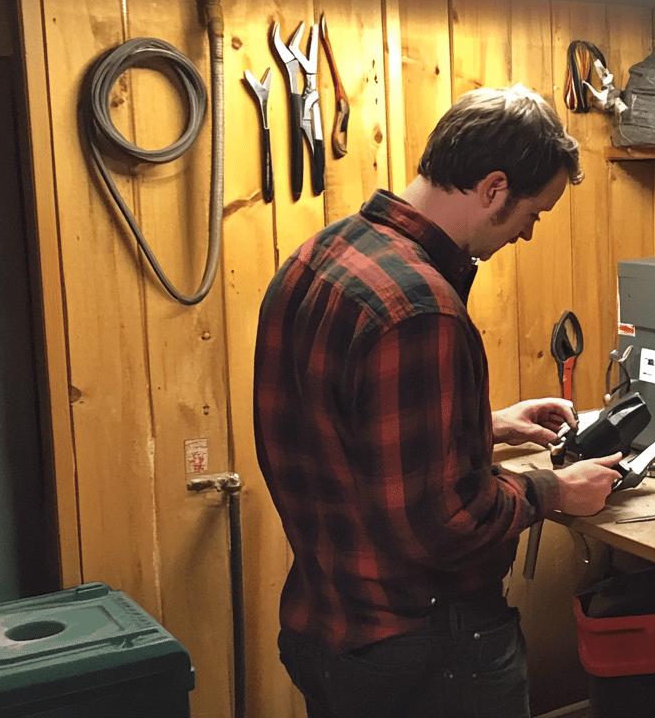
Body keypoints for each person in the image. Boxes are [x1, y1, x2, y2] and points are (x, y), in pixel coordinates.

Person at [254, 85, 624, 718]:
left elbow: (349, 437)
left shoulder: (321, 255)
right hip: (424, 651)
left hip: (329, 627)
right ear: (494, 188)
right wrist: (556, 491)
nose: (530, 234)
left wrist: (480, 427)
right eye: (533, 212)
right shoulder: (419, 308)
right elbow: (444, 523)